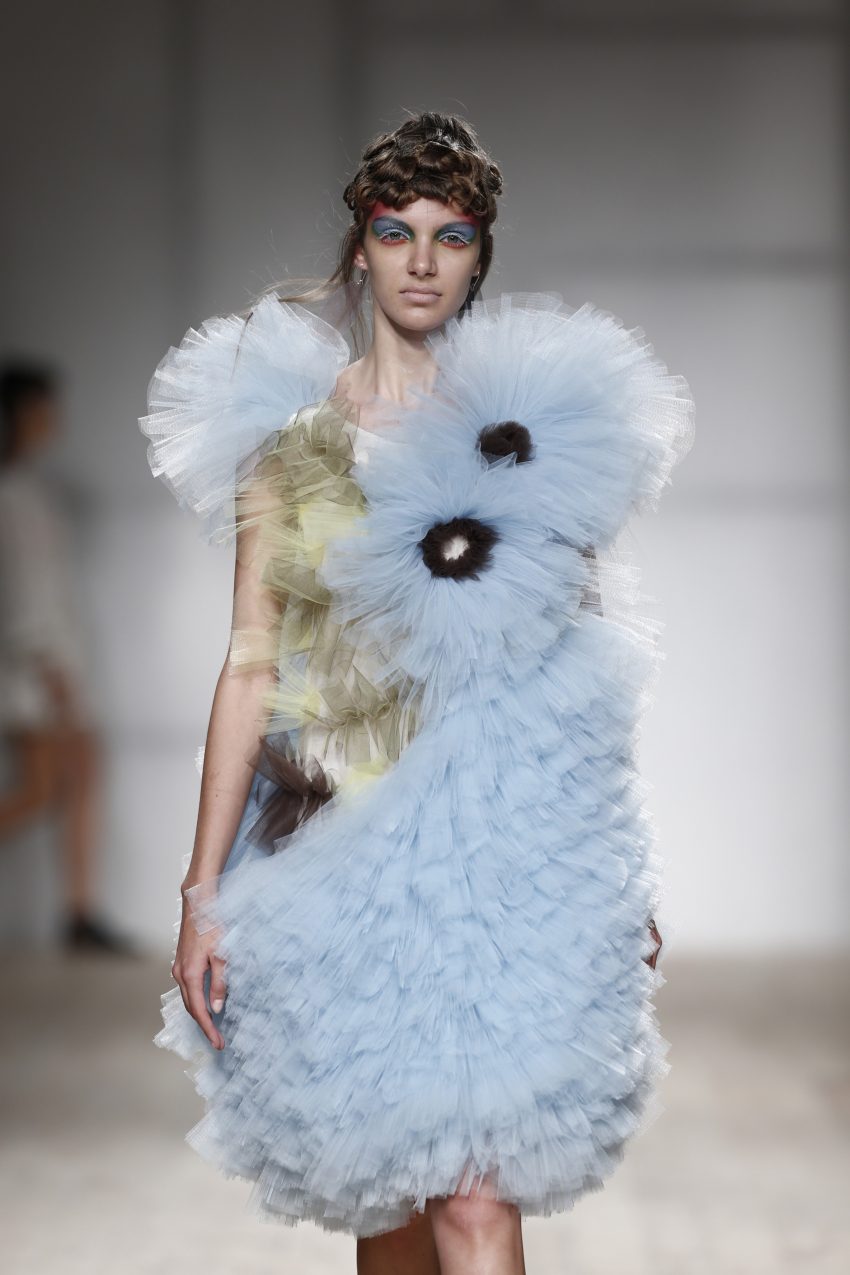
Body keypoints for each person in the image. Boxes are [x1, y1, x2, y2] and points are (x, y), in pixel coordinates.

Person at [140, 111, 693, 1274]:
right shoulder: (293, 448)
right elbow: (251, 664)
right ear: (361, 248)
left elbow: (581, 669)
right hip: (339, 847)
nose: (423, 261)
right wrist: (201, 893)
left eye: (452, 234)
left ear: (480, 253)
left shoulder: (530, 436)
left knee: (478, 1204)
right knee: (387, 1200)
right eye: (398, 232)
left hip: (504, 858)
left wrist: (619, 880)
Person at [0, 363, 137, 954]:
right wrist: (52, 671)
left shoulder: (32, 491)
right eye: (41, 408)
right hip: (37, 671)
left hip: (52, 665)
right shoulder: (14, 495)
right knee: (42, 788)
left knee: (76, 778)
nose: (51, 419)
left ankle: (80, 913)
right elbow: (25, 595)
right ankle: (78, 914)